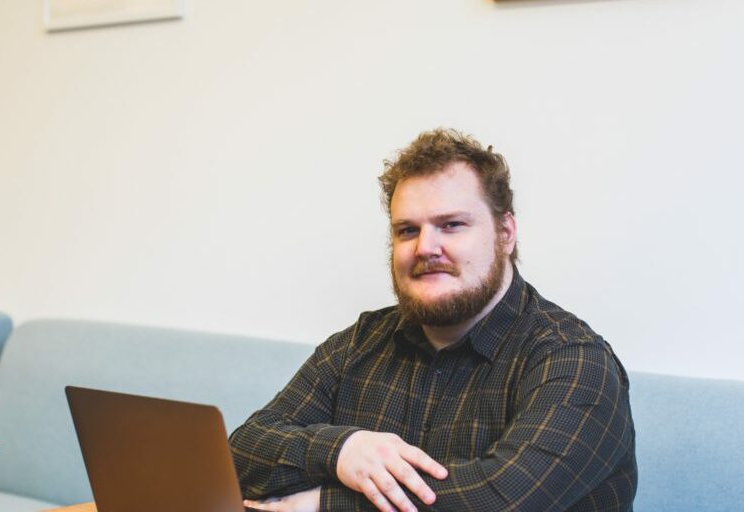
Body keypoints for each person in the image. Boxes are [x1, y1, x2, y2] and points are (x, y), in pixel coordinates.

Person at [229, 128, 636, 512]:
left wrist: (324, 504)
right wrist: (341, 451)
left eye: (451, 225)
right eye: (407, 230)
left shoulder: (576, 360)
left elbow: (501, 499)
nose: (426, 247)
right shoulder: (358, 345)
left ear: (505, 232)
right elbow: (242, 452)